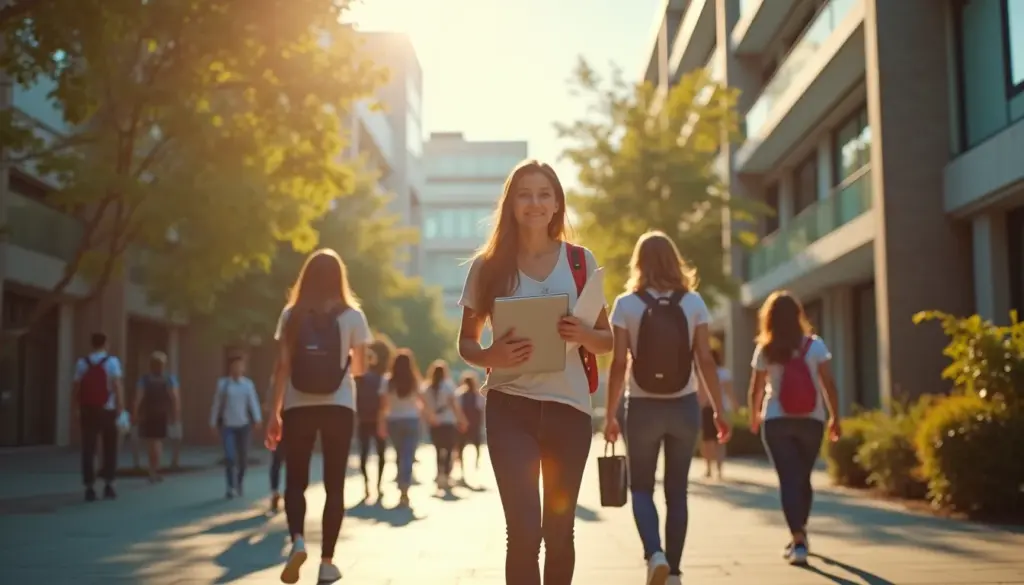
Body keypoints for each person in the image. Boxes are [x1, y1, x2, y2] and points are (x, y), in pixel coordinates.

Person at [457, 159, 613, 585]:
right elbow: (467, 343)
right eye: (525, 194)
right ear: (511, 204)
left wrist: (583, 331)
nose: (535, 203)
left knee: (560, 533)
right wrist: (494, 356)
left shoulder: (581, 262)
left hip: (570, 411)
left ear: (558, 203)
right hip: (511, 410)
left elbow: (607, 341)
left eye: (544, 194)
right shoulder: (487, 267)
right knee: (524, 533)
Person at [603, 230, 731, 585]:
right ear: (675, 261)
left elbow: (617, 365)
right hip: (684, 406)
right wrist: (719, 411)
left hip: (642, 406)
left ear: (638, 262)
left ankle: (654, 554)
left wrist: (611, 412)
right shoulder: (693, 303)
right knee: (678, 491)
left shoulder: (626, 304)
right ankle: (673, 571)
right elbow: (705, 360)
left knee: (641, 488)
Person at [265, 248, 372, 584]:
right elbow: (360, 368)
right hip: (339, 406)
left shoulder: (290, 314)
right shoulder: (353, 316)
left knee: (295, 480)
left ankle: (297, 540)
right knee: (334, 485)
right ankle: (327, 561)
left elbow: (282, 368)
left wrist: (273, 413)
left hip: (298, 405)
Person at [748, 290, 841, 566]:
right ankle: (800, 534)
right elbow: (828, 383)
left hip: (776, 419)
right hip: (812, 420)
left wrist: (754, 414)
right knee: (802, 478)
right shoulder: (814, 345)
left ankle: (798, 539)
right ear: (798, 315)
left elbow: (755, 387)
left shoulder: (766, 347)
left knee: (788, 479)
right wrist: (836, 416)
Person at [72, 332, 125, 501]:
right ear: (106, 344)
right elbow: (117, 385)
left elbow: (76, 387)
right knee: (110, 447)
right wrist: (120, 407)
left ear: (92, 344)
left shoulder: (82, 363)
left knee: (89, 448)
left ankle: (89, 487)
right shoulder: (112, 362)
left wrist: (76, 408)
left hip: (88, 409)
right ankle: (109, 484)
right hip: (107, 409)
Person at [376, 349, 427, 507]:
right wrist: (428, 417)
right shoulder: (415, 380)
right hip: (412, 420)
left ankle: (401, 484)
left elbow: (383, 406)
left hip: (394, 421)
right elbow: (422, 401)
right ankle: (405, 488)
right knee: (408, 455)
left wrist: (381, 424)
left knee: (400, 454)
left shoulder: (387, 381)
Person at [209, 355, 261, 499]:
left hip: (243, 426)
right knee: (230, 457)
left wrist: (257, 419)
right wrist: (213, 422)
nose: (238, 368)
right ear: (231, 367)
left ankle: (239, 482)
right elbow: (217, 404)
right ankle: (230, 486)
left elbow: (253, 402)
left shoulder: (248, 385)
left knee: (243, 458)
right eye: (235, 365)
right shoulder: (223, 384)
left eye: (240, 365)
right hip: (228, 426)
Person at [133, 351, 181, 483]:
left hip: (148, 413)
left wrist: (135, 413)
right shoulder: (169, 378)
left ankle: (152, 470)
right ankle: (155, 469)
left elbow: (138, 398)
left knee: (151, 442)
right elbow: (175, 398)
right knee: (158, 442)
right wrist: (176, 415)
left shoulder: (144, 379)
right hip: (162, 413)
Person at [422, 360, 467, 491]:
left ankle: (439, 474)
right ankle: (446, 476)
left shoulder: (427, 387)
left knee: (437, 450)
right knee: (448, 450)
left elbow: (424, 406)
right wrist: (462, 420)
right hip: (448, 422)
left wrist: (431, 418)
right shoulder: (448, 386)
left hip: (434, 423)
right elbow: (454, 405)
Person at [698, 346, 739, 480]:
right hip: (723, 408)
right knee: (721, 440)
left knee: (707, 440)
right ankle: (719, 469)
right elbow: (729, 392)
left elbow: (701, 393)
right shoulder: (724, 373)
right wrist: (735, 405)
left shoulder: (703, 374)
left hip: (707, 408)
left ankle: (709, 468)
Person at [354, 349, 386, 501]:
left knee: (364, 454)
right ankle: (378, 486)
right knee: (380, 454)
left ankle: (367, 486)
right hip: (378, 420)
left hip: (363, 420)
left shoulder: (356, 379)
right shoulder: (380, 379)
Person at [455, 371, 485, 483]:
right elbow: (481, 409)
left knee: (460, 448)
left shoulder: (459, 394)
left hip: (462, 426)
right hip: (474, 425)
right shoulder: (478, 395)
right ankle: (475, 466)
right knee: (476, 447)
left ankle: (463, 470)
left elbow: (457, 410)